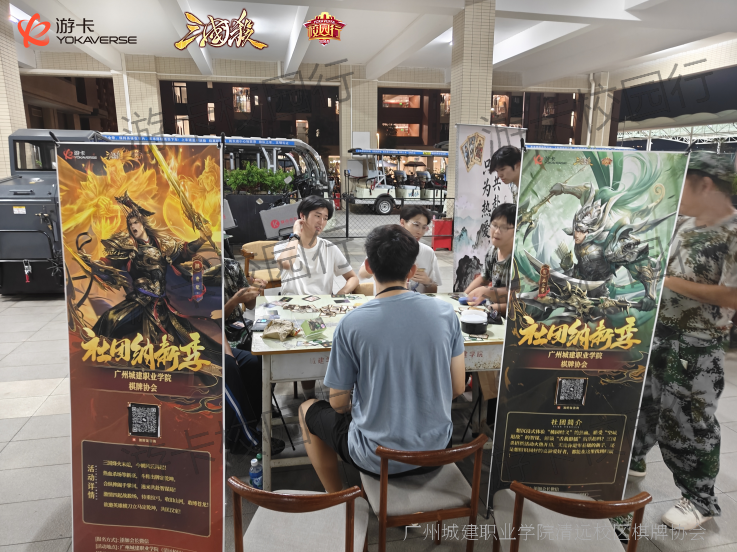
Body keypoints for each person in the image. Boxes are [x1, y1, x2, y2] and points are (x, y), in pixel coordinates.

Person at [298, 225, 466, 492]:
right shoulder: (446, 314)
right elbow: (457, 388)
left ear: (368, 266)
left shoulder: (351, 324)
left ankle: (336, 496)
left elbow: (339, 404)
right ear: (411, 271)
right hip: (437, 451)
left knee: (307, 408)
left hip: (377, 458)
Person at [630, 151, 737, 531]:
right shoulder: (685, 224)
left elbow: (732, 295)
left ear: (705, 184)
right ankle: (632, 458)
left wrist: (669, 283)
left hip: (698, 345)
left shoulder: (732, 232)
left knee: (689, 421)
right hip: (661, 334)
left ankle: (700, 500)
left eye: (683, 186)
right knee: (645, 404)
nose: (677, 195)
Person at [275, 195, 359, 399]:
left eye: (325, 218)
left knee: (343, 343)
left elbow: (353, 278)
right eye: (317, 215)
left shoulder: (329, 248)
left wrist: (340, 294)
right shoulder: (284, 247)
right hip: (291, 313)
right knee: (306, 348)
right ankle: (310, 399)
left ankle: (332, 397)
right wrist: (295, 234)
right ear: (302, 216)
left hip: (320, 313)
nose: (321, 222)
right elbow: (286, 263)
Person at [223, 256, 285, 455]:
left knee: (271, 344)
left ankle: (258, 408)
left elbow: (250, 305)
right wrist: (235, 300)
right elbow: (211, 322)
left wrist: (256, 291)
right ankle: (247, 431)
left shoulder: (230, 265)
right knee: (249, 361)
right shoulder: (194, 272)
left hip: (236, 327)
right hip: (217, 330)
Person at [358, 205, 442, 293]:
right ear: (402, 222)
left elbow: (434, 290)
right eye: (416, 225)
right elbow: (362, 274)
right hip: (386, 300)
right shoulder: (387, 245)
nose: (420, 232)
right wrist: (383, 264)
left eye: (424, 227)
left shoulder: (428, 252)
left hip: (417, 301)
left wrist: (427, 282)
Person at [464, 203, 516, 313]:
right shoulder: (493, 251)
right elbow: (484, 278)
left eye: (504, 227)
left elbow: (518, 298)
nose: (497, 231)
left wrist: (489, 307)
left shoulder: (518, 259)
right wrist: (464, 296)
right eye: (494, 225)